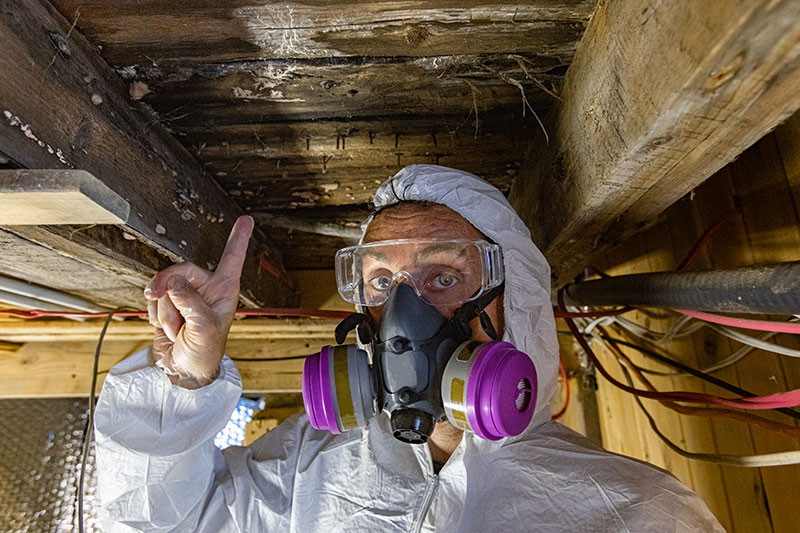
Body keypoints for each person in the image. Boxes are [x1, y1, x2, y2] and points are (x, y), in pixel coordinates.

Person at [94, 165, 724, 532]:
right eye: (380, 284)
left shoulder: (638, 512)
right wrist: (181, 380)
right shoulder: (301, 467)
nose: (405, 313)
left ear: (519, 303)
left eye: (444, 278)